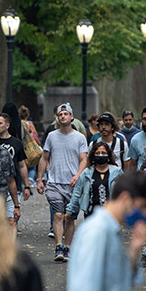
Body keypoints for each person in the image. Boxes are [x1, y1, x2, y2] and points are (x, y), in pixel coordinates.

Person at [39, 103, 90, 262]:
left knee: (70, 218)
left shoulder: (80, 137)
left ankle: (67, 247)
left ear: (72, 117)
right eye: (60, 114)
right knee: (59, 214)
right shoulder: (52, 136)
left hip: (73, 184)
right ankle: (59, 246)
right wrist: (40, 179)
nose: (62, 116)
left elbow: (84, 159)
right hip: (55, 183)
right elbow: (44, 157)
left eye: (66, 114)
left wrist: (78, 175)